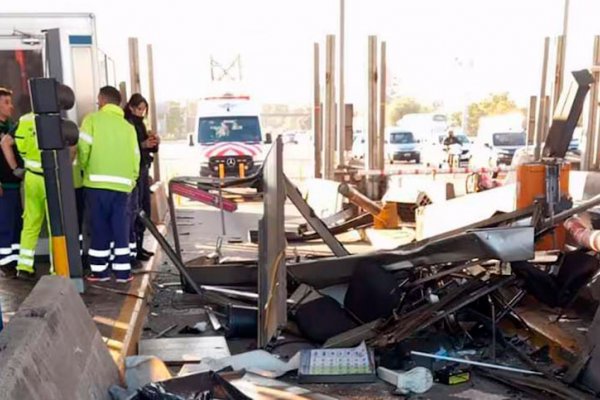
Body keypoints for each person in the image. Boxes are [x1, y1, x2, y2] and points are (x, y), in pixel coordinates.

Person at [78, 86, 140, 283]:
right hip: (123, 186)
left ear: (102, 100)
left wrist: (85, 169)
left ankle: (99, 271)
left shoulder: (92, 120)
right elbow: (135, 157)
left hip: (96, 184)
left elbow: (83, 149)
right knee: (121, 228)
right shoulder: (128, 127)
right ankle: (123, 272)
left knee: (100, 227)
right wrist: (131, 179)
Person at [123, 94, 158, 265]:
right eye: (139, 109)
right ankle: (134, 250)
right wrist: (143, 145)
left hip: (143, 168)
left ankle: (139, 246)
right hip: (134, 172)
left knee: (144, 208)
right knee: (135, 210)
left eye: (144, 109)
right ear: (130, 107)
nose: (142, 112)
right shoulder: (127, 124)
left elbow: (148, 149)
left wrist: (154, 142)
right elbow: (127, 148)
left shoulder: (141, 124)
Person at [0, 88, 23, 276]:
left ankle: (15, 260)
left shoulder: (12, 127)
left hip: (15, 184)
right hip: (3, 186)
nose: (11, 106)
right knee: (5, 224)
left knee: (17, 224)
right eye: (6, 102)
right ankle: (5, 263)